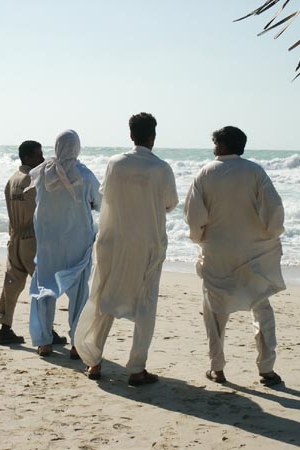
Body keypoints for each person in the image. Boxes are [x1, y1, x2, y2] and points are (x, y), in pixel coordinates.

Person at [75, 112, 178, 386]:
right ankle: (136, 368)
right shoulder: (161, 168)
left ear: (131, 135)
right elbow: (170, 203)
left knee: (104, 297)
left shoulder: (114, 163)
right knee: (145, 302)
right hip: (146, 243)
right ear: (153, 137)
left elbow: (106, 195)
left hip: (113, 241)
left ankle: (94, 362)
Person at [184, 126, 285, 386]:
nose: (214, 148)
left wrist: (199, 238)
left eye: (216, 144)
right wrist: (271, 235)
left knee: (215, 311)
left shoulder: (205, 173)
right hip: (253, 252)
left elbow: (194, 216)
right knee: (261, 306)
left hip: (217, 251)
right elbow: (274, 209)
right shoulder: (255, 171)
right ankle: (266, 369)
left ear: (223, 147)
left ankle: (216, 368)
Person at [29, 129, 101, 358]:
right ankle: (76, 344)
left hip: (48, 242)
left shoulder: (41, 172)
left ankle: (44, 342)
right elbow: (99, 203)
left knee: (45, 289)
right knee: (79, 294)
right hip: (77, 244)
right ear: (76, 147)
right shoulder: (85, 175)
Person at [0, 141, 68, 346]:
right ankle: (47, 331)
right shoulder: (34, 180)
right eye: (39, 155)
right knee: (45, 287)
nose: (43, 159)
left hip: (15, 238)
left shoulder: (13, 179)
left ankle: (5, 328)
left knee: (11, 284)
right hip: (32, 239)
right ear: (28, 158)